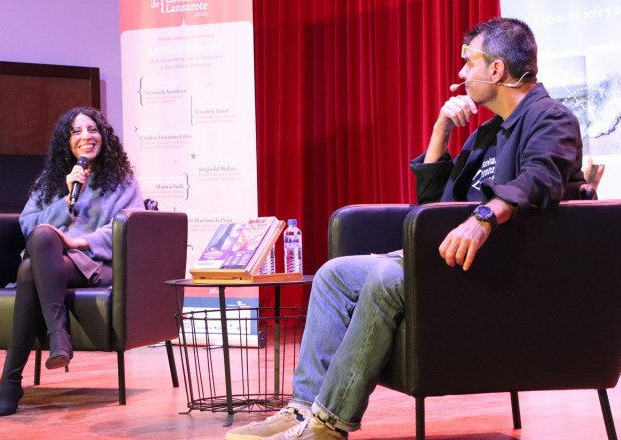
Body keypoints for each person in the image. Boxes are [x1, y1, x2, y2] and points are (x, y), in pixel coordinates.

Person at [225, 17, 589, 440]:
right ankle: (302, 408)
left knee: (385, 276)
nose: (460, 73)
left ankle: (327, 424)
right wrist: (441, 131)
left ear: (496, 70)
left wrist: (483, 219)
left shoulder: (551, 119)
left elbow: (541, 178)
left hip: (500, 269)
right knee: (334, 275)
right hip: (449, 261)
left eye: (469, 62)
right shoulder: (488, 133)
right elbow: (434, 205)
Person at [0, 107, 143, 417]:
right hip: (55, 264)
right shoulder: (51, 181)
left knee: (29, 271)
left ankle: (11, 382)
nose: (86, 136)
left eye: (93, 129)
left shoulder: (122, 181)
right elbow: (28, 226)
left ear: (103, 136)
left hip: (97, 266)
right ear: (66, 141)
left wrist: (78, 241)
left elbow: (129, 227)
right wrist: (67, 200)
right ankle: (57, 337)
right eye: (77, 131)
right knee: (40, 244)